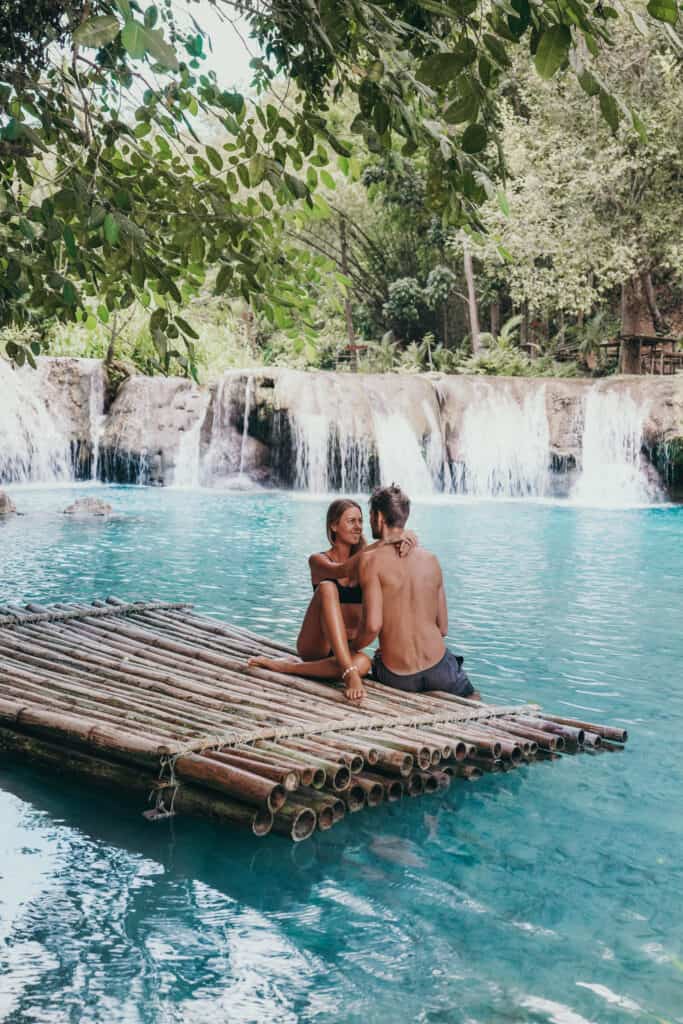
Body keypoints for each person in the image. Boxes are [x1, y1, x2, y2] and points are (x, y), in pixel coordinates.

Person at [248, 498, 415, 702]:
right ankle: (348, 673)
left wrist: (408, 537)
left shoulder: (369, 561)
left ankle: (290, 667)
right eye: (351, 521)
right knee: (327, 587)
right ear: (334, 526)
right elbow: (342, 570)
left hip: (347, 648)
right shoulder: (318, 560)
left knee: (364, 663)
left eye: (361, 521)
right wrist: (385, 541)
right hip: (316, 644)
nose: (358, 527)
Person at [354, 484, 479, 701]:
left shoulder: (370, 561)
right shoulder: (431, 560)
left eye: (370, 516)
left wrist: (351, 647)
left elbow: (373, 626)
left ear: (379, 517)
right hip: (440, 669)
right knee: (472, 697)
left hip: (398, 675)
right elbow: (443, 628)